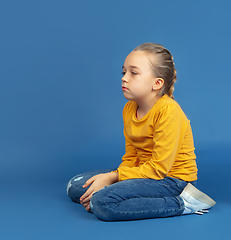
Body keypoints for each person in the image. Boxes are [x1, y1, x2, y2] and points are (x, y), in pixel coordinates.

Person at [66, 43, 215, 221]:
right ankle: (116, 197)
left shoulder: (169, 112)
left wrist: (114, 178)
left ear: (157, 83)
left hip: (172, 181)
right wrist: (115, 180)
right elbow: (131, 155)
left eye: (133, 73)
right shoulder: (129, 108)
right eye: (124, 72)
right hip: (143, 173)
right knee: (75, 187)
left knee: (102, 203)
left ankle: (184, 203)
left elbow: (159, 170)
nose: (124, 78)